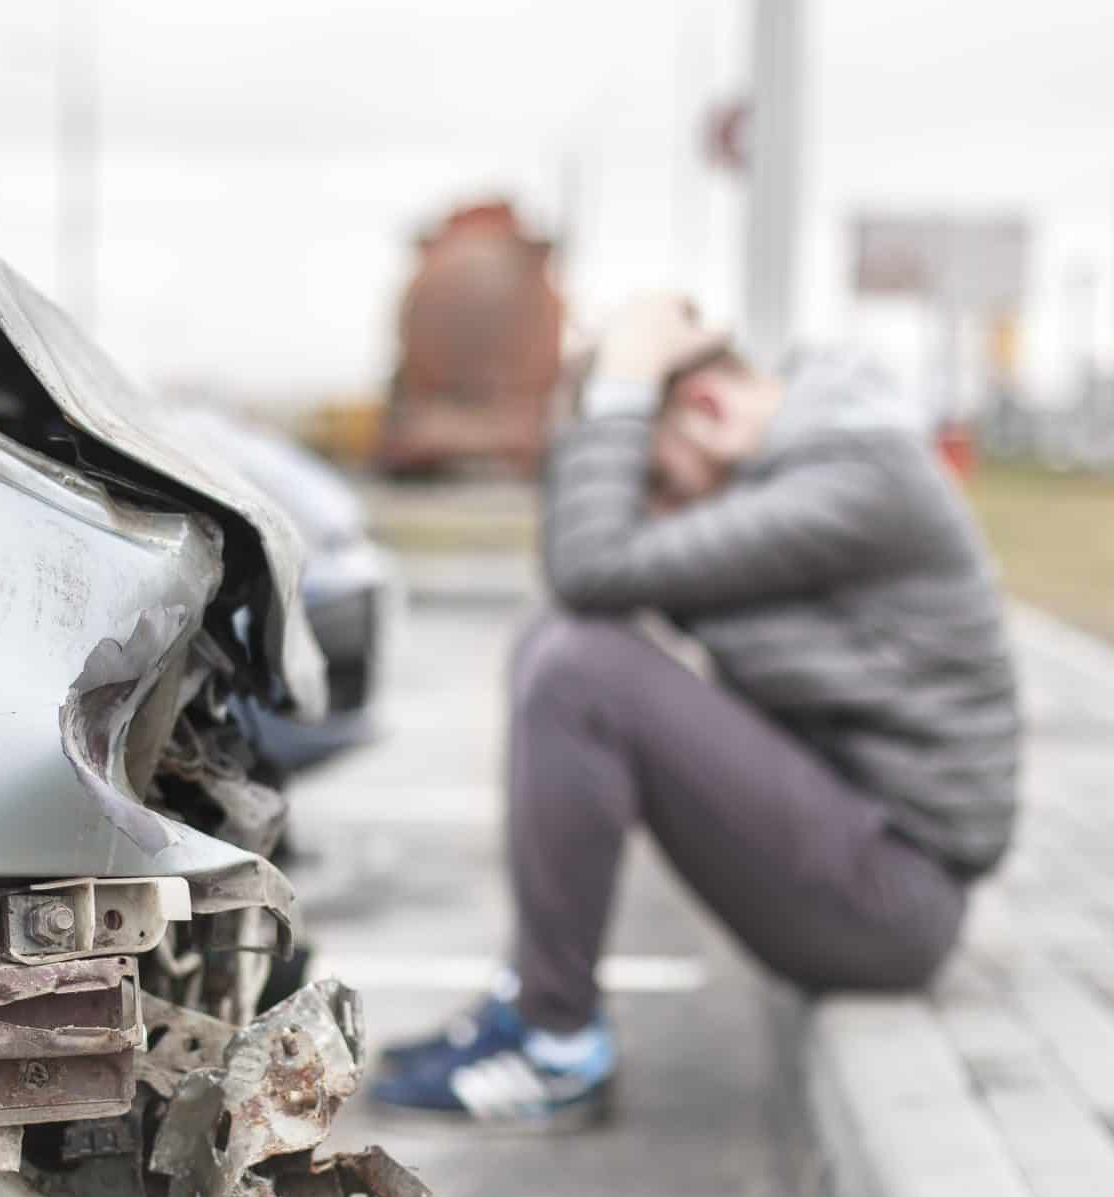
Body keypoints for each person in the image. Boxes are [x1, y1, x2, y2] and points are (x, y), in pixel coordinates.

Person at [369, 293, 1020, 1127]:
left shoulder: (859, 478)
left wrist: (624, 383)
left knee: (581, 668)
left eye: (660, 485)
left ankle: (554, 1045)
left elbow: (593, 562)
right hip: (858, 853)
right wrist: (619, 406)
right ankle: (532, 1002)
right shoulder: (822, 461)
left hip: (895, 898)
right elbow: (587, 571)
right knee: (563, 640)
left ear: (707, 409)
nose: (656, 520)